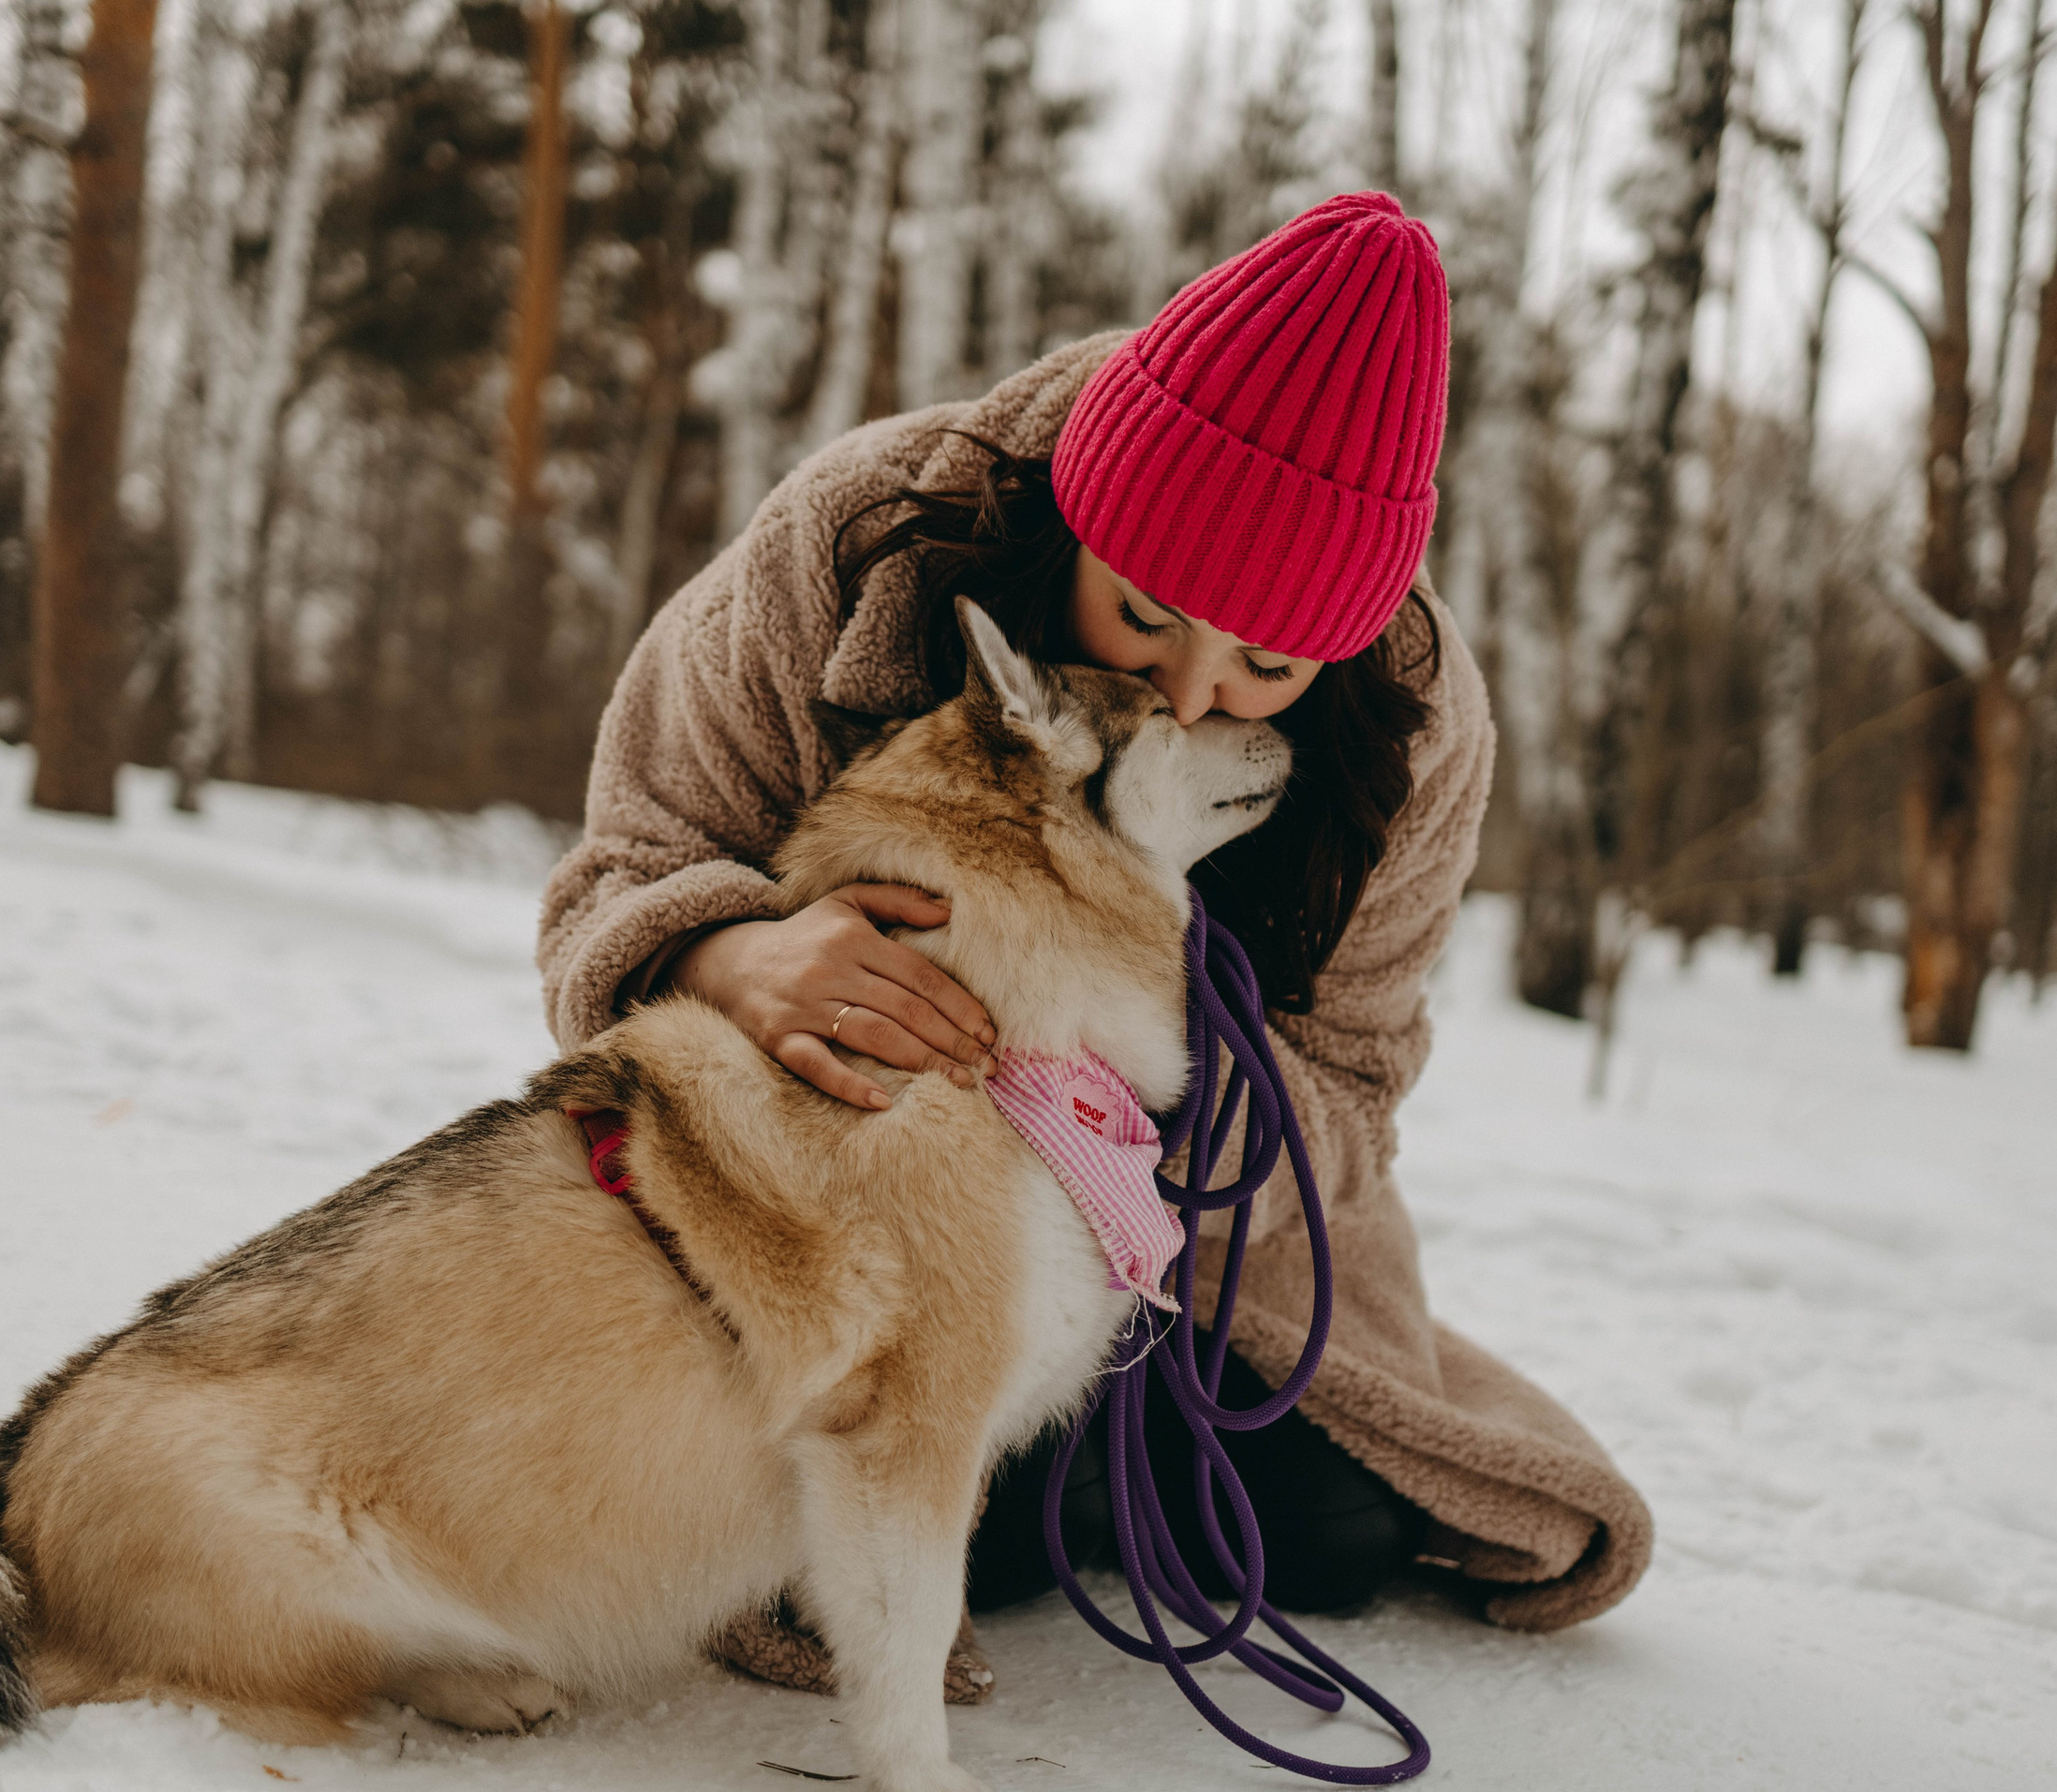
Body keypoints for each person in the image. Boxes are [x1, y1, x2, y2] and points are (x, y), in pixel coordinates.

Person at [538, 193, 1651, 1694]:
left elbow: (1357, 1070)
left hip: (1186, 1239)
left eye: (1266, 664)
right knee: (910, 1489)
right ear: (1080, 511)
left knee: (1327, 1529)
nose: (1191, 701)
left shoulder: (1421, 717)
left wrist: (1150, 1146)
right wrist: (725, 951)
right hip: (833, 1189)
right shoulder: (856, 528)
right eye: (1143, 614)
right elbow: (628, 857)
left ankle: (1091, 1444)